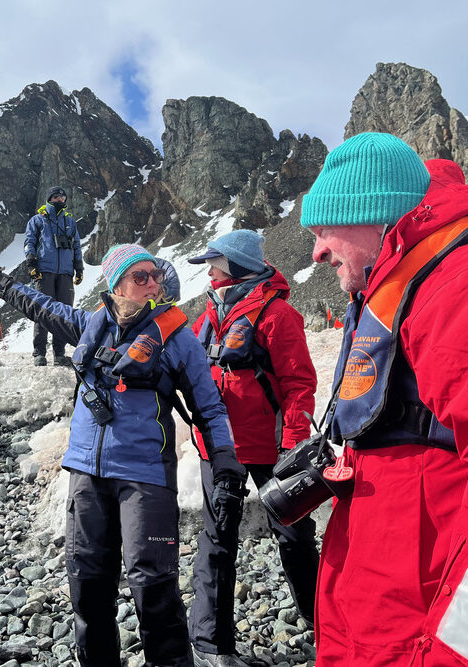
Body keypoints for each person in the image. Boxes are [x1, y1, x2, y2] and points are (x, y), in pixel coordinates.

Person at [299, 132, 468, 666]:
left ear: (376, 215)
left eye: (326, 228)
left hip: (435, 641)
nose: (317, 249)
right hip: (393, 624)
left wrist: (461, 650)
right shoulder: (405, 290)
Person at [0, 244, 245, 667]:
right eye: (141, 276)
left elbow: (208, 406)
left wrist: (224, 456)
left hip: (145, 475)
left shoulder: (177, 337)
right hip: (85, 473)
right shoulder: (90, 325)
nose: (154, 282)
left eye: (155, 275)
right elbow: (39, 305)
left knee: (153, 587)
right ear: (117, 284)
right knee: (87, 585)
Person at [186, 229, 319, 662]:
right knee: (217, 537)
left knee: (295, 533)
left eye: (214, 264)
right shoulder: (209, 313)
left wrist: (293, 443)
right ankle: (212, 646)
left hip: (271, 446)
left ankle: (323, 618)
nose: (208, 271)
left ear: (235, 266)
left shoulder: (278, 315)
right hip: (220, 446)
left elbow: (300, 383)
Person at [24, 185, 84, 366]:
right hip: (44, 272)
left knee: (63, 315)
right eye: (57, 196)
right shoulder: (37, 220)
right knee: (43, 312)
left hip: (65, 273)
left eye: (63, 197)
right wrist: (31, 263)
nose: (60, 199)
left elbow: (76, 246)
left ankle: (59, 354)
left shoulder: (70, 222)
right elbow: (30, 242)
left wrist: (79, 268)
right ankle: (39, 353)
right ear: (50, 198)